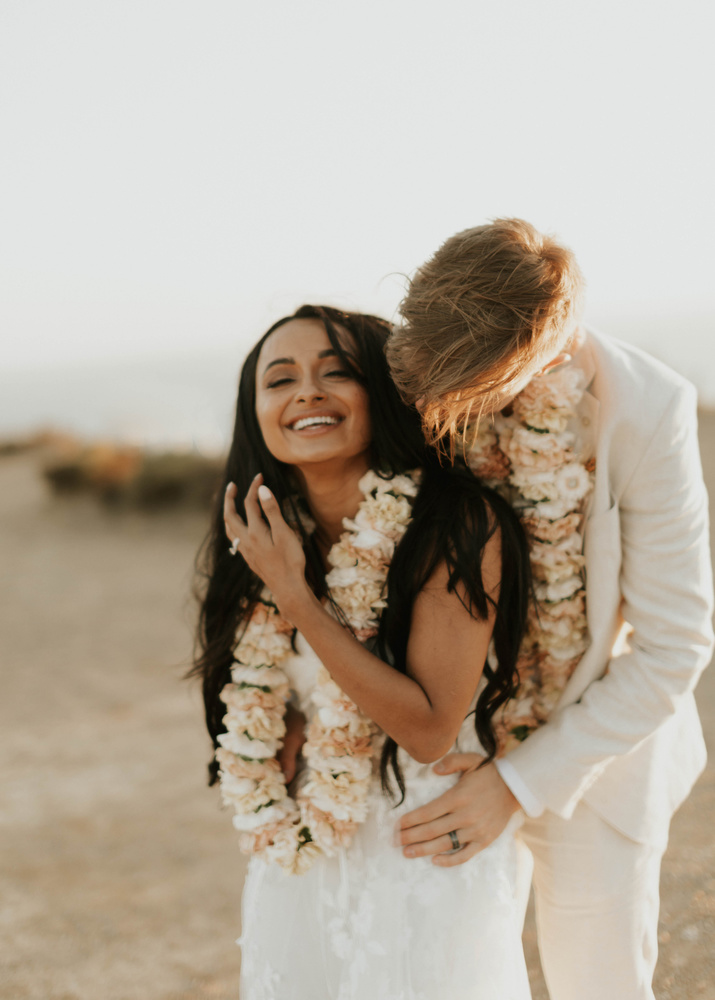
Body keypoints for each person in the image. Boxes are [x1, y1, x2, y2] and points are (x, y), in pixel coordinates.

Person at [386, 219, 715, 1000]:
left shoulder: (645, 408)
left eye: (466, 390)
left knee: (596, 985)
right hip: (432, 739)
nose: (435, 404)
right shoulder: (410, 371)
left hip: (595, 760)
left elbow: (674, 647)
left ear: (535, 354)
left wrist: (517, 782)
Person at [194, 304, 535, 999]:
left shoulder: (455, 522)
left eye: (337, 372)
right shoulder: (259, 530)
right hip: (301, 848)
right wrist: (283, 727)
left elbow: (427, 729)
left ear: (381, 391)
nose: (306, 394)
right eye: (279, 379)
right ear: (255, 410)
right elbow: (255, 684)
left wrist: (296, 595)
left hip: (425, 839)